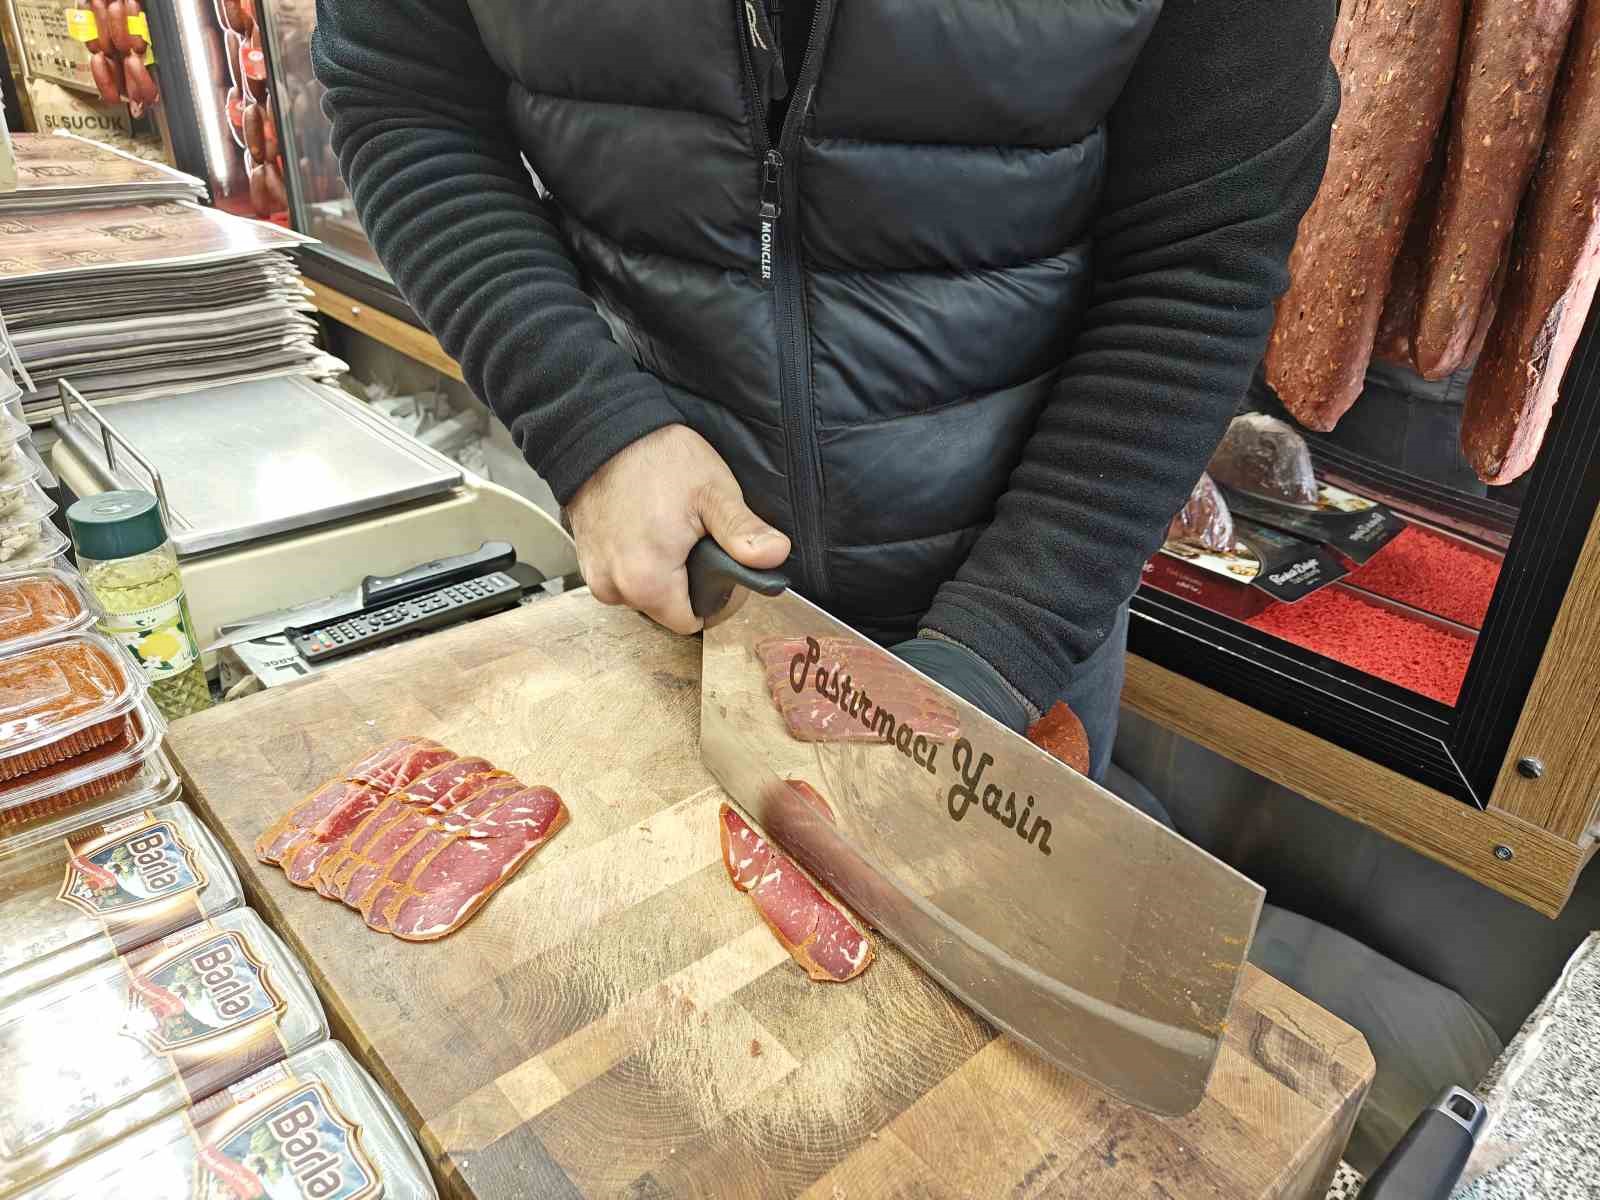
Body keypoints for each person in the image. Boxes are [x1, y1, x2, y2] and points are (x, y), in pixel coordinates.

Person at [312, 0, 1337, 785]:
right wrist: (590, 426)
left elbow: (1202, 256)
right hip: (678, 585)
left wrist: (1003, 644)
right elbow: (403, 100)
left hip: (1021, 618)